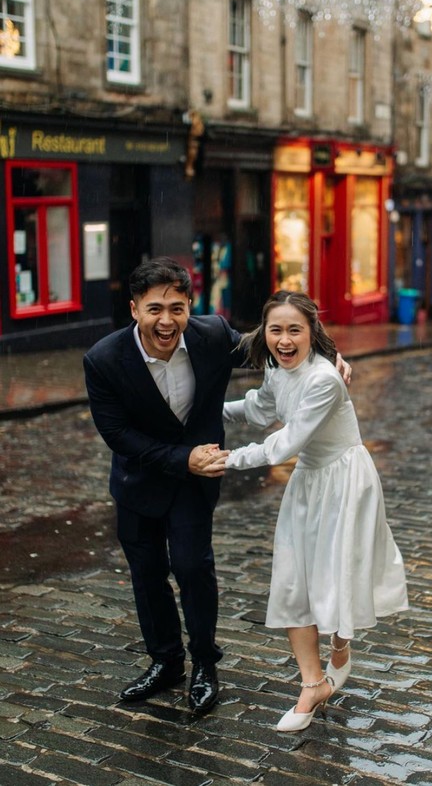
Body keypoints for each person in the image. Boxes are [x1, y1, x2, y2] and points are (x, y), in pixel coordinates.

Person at [83, 257, 353, 714]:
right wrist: (181, 458)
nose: (166, 320)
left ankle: (205, 665)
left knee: (192, 569)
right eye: (154, 309)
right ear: (134, 309)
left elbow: (275, 342)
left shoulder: (211, 335)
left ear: (189, 306)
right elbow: (118, 434)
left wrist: (328, 358)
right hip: (139, 482)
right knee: (147, 576)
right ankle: (165, 661)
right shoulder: (104, 359)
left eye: (176, 308)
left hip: (196, 482)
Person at [207, 291, 408, 733]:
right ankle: (312, 684)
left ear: (311, 332)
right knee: (293, 580)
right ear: (264, 332)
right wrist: (203, 411)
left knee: (337, 577)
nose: (284, 340)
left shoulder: (324, 380)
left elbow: (285, 443)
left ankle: (341, 644)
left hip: (344, 480)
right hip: (308, 480)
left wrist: (227, 459)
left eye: (294, 330)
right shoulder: (277, 368)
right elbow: (259, 408)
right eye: (276, 330)